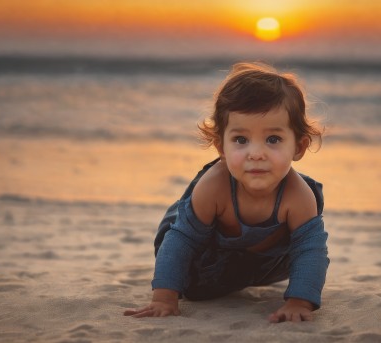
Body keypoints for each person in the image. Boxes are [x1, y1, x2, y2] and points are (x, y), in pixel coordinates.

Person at [124, 62, 329, 323]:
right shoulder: (215, 186)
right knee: (192, 287)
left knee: (310, 234)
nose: (256, 153)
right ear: (221, 146)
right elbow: (181, 241)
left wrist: (299, 302)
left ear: (298, 147)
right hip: (201, 253)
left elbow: (310, 251)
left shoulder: (297, 196)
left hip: (264, 263)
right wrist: (164, 298)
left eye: (273, 140)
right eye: (241, 140)